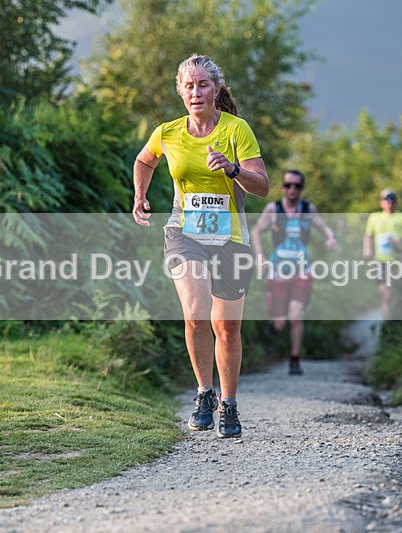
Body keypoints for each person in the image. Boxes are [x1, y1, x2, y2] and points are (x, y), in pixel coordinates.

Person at [132, 54, 269, 438]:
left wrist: (234, 169)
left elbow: (262, 186)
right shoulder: (168, 132)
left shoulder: (236, 130)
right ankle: (204, 392)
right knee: (195, 312)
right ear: (180, 90)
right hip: (184, 233)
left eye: (203, 85)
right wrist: (140, 195)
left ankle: (229, 403)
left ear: (216, 88)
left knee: (226, 328)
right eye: (189, 86)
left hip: (231, 238)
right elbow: (144, 161)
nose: (196, 92)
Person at [250, 170, 338, 375]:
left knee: (296, 315)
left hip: (302, 270)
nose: (292, 189)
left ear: (302, 188)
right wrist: (260, 256)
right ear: (283, 187)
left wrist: (331, 237)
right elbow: (256, 231)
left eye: (297, 186)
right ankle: (272, 327)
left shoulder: (307, 209)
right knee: (280, 324)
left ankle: (295, 359)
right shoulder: (274, 209)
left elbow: (323, 227)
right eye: (288, 185)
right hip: (277, 270)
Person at [362, 188, 402, 319]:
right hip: (380, 261)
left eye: (392, 200)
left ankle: (394, 325)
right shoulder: (374, 218)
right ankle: (386, 324)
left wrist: (401, 242)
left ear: (396, 203)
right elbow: (368, 236)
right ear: (381, 203)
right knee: (386, 295)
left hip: (399, 260)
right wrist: (367, 250)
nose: (389, 203)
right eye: (386, 200)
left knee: (397, 296)